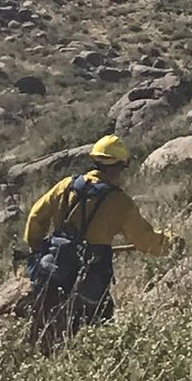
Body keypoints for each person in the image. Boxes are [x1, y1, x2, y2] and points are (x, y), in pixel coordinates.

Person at [22, 134, 171, 350]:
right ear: (119, 167)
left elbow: (36, 217)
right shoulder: (119, 202)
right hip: (90, 282)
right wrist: (170, 243)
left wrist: (37, 246)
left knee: (46, 335)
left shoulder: (66, 185)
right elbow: (145, 241)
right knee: (100, 331)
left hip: (54, 269)